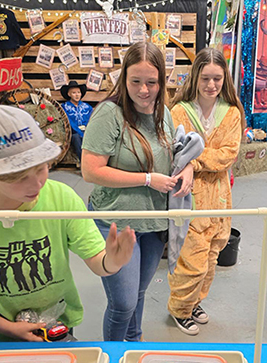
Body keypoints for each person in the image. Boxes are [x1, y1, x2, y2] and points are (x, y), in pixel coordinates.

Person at [0, 105, 136, 342]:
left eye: (41, 168)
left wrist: (112, 262)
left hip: (58, 325)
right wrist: (6, 327)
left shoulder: (61, 198)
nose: (36, 184)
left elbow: (98, 261)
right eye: (17, 177)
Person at [81, 42, 193, 341]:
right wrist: (146, 179)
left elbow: (173, 153)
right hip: (116, 221)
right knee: (123, 302)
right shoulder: (109, 114)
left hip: (153, 222)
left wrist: (188, 167)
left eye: (151, 82)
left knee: (138, 294)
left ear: (162, 81)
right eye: (135, 81)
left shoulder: (163, 113)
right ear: (124, 79)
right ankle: (114, 357)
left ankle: (134, 345)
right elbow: (91, 171)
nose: (144, 90)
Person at [167, 47, 246, 335]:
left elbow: (228, 154)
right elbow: (176, 152)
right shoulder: (179, 111)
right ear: (195, 78)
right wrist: (188, 164)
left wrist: (194, 162)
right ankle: (179, 309)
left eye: (217, 79)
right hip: (190, 196)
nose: (211, 85)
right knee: (191, 260)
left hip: (221, 197)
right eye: (205, 78)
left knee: (212, 256)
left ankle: (195, 303)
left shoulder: (232, 113)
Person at [61, 80, 93, 162]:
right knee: (76, 137)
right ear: (69, 94)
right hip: (73, 132)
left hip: (87, 131)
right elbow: (69, 122)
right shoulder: (64, 107)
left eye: (78, 92)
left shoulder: (87, 107)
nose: (77, 95)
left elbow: (91, 120)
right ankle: (84, 162)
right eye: (74, 93)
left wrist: (87, 131)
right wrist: (80, 132)